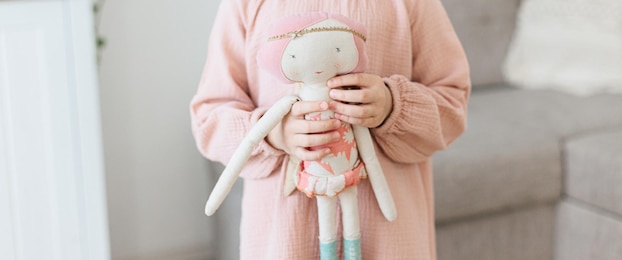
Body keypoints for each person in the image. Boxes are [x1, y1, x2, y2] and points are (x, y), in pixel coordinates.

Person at [190, 0, 470, 259]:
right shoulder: (246, 4)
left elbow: (452, 106)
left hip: (389, 236)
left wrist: (392, 104)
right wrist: (274, 133)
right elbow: (209, 117)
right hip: (283, 237)